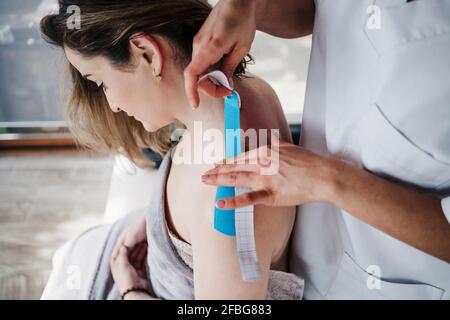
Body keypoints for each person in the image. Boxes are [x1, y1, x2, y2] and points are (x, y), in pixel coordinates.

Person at [40, 0, 304, 300]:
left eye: (100, 82)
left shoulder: (226, 196)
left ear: (148, 53)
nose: (112, 104)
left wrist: (132, 291)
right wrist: (156, 222)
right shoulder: (252, 92)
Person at [194, 0, 450, 299]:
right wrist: (251, 6)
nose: (121, 107)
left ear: (149, 53)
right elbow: (325, 10)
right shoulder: (195, 155)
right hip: (317, 256)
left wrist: (327, 179)